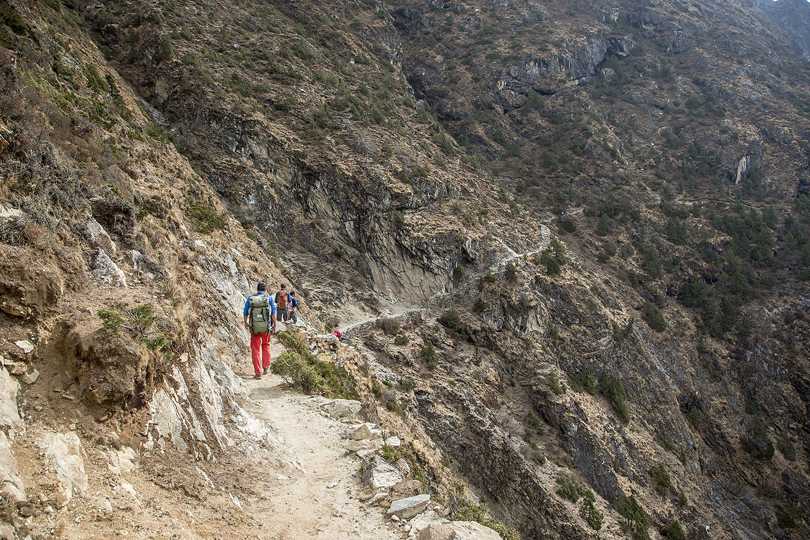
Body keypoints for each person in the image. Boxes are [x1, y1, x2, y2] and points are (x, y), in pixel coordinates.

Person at [243, 282, 277, 379]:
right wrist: (274, 324)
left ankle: (258, 373)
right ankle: (265, 367)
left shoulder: (251, 299)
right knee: (266, 345)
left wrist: (246, 322)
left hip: (254, 328)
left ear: (257, 289)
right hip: (266, 327)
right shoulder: (269, 298)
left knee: (255, 349)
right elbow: (274, 311)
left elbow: (245, 311)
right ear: (265, 290)